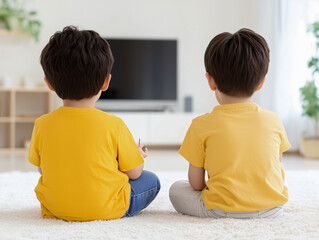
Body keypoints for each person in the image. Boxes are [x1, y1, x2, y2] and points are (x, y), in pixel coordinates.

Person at [28, 26, 160, 221]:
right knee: (151, 180)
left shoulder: (42, 124)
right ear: (106, 83)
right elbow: (134, 173)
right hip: (104, 209)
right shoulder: (114, 124)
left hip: (55, 207)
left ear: (49, 83)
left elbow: (42, 169)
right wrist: (137, 156)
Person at [169, 28, 290, 219]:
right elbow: (276, 164)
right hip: (273, 210)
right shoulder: (273, 120)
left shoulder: (201, 125)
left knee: (176, 189)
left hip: (220, 209)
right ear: (261, 82)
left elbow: (196, 183)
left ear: (210, 81)